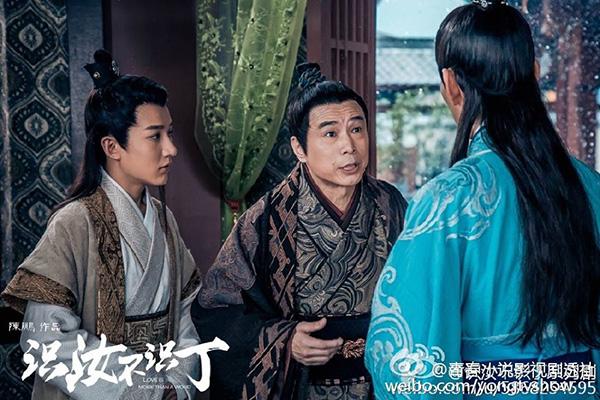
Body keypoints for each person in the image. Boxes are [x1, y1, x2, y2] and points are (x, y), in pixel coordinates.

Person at [365, 1, 600, 399]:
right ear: (535, 74)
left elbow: (409, 355)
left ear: (451, 84)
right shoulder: (591, 188)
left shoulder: (447, 201)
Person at [192, 63, 407, 400]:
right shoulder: (266, 219)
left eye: (357, 129)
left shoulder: (391, 205)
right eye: (330, 134)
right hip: (300, 389)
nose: (349, 146)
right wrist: (286, 340)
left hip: (380, 384)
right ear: (299, 148)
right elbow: (216, 310)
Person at [1, 50, 201, 400]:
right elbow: (43, 337)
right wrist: (142, 387)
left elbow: (186, 316)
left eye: (169, 134)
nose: (171, 149)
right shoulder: (73, 224)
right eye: (155, 136)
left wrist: (177, 383)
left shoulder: (164, 219)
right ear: (112, 146)